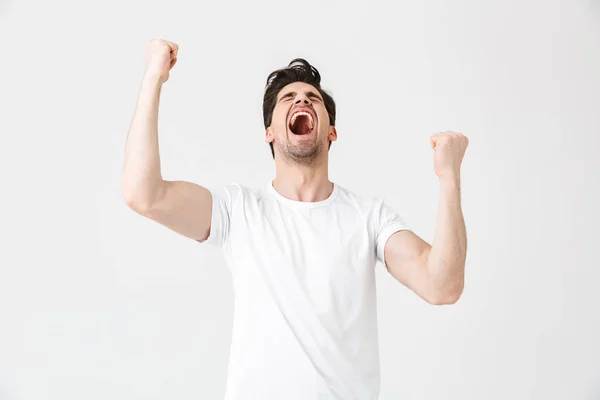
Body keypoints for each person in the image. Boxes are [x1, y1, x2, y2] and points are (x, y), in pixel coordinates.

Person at [122, 39, 469, 400]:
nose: (302, 100)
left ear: (331, 132)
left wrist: (450, 178)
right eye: (288, 98)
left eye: (312, 98)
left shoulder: (369, 219)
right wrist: (154, 78)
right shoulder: (238, 210)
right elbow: (143, 195)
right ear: (269, 133)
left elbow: (442, 285)